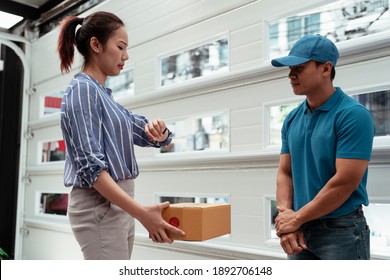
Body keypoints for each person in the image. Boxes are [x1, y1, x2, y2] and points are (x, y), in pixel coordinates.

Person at [57, 11, 184, 260]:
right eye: (120, 46)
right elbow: (90, 169)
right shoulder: (83, 90)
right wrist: (142, 213)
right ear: (96, 44)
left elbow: (146, 132)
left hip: (117, 206)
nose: (126, 56)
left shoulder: (104, 96)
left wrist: (159, 131)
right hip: (100, 206)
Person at [271, 34, 375, 260]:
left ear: (326, 69)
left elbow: (344, 182)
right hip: (299, 229)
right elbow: (285, 172)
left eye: (299, 67)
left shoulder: (353, 116)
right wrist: (286, 216)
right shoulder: (292, 119)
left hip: (341, 231)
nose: (291, 75)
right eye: (290, 68)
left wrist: (296, 219)